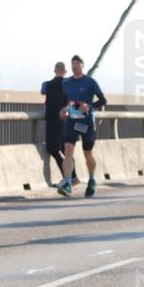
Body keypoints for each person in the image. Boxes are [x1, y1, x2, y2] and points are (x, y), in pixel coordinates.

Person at [55, 55, 106, 198]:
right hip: (71, 121)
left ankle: (92, 179)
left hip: (86, 122)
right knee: (68, 151)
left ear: (82, 66)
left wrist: (89, 106)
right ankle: (67, 182)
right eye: (73, 63)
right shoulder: (66, 83)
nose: (75, 66)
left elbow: (103, 100)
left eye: (77, 63)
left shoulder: (90, 82)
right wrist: (63, 110)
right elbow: (64, 101)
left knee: (87, 153)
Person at [40, 61, 75, 185]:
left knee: (53, 149)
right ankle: (73, 177)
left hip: (52, 120)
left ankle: (67, 178)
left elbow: (43, 92)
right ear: (66, 72)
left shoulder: (46, 84)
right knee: (66, 151)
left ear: (55, 70)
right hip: (66, 121)